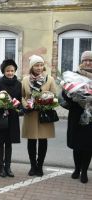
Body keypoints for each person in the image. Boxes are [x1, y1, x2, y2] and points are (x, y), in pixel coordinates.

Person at [21, 55, 56, 177]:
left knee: (42, 141)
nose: (39, 67)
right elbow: (22, 96)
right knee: (31, 141)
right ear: (32, 67)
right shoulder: (25, 80)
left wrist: (46, 101)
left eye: (41, 65)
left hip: (44, 114)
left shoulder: (49, 79)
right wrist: (26, 104)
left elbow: (54, 96)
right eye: (36, 65)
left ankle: (40, 166)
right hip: (30, 114)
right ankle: (32, 166)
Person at [62, 50, 92, 184]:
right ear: (81, 61)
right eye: (85, 60)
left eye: (90, 60)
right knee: (77, 145)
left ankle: (84, 171)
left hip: (91, 117)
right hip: (76, 114)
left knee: (88, 146)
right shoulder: (73, 76)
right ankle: (77, 169)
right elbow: (64, 94)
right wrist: (70, 94)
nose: (88, 62)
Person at [0, 59, 21, 177]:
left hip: (13, 117)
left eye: (12, 70)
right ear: (3, 71)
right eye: (7, 70)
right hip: (0, 117)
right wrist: (0, 106)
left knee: (9, 143)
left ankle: (8, 167)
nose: (10, 73)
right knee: (0, 142)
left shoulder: (19, 84)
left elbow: (20, 100)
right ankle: (1, 168)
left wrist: (18, 107)